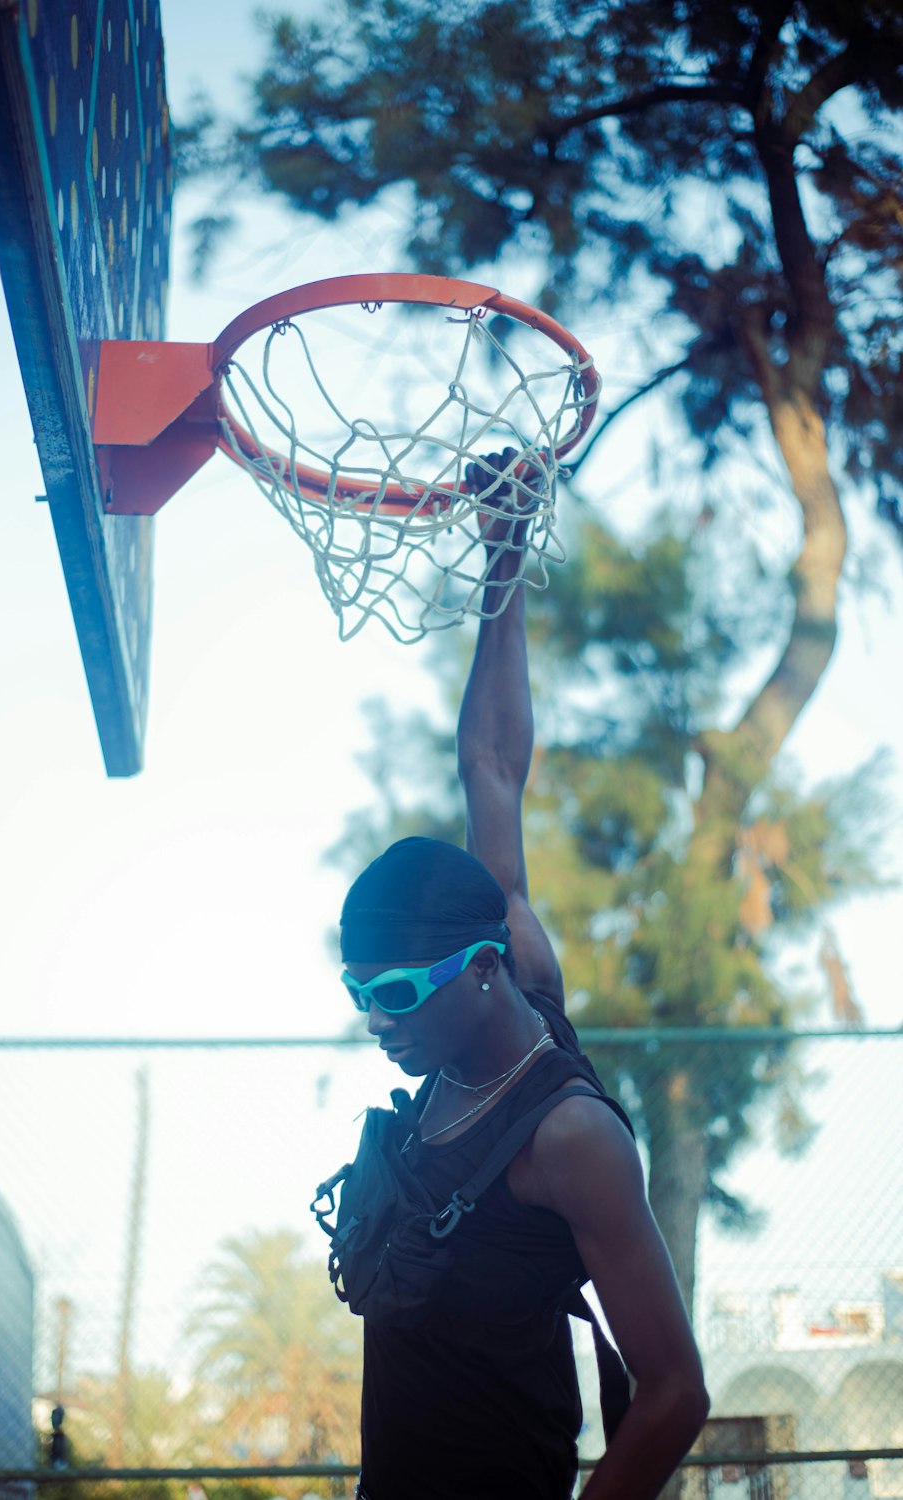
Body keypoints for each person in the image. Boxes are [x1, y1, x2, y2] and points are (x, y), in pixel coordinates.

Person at [336, 454, 710, 1500]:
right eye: (358, 992)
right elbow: (490, 763)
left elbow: (675, 1392)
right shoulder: (497, 971)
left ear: (482, 966)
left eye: (397, 992)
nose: (375, 1018)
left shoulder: (568, 1137)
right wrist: (504, 549)